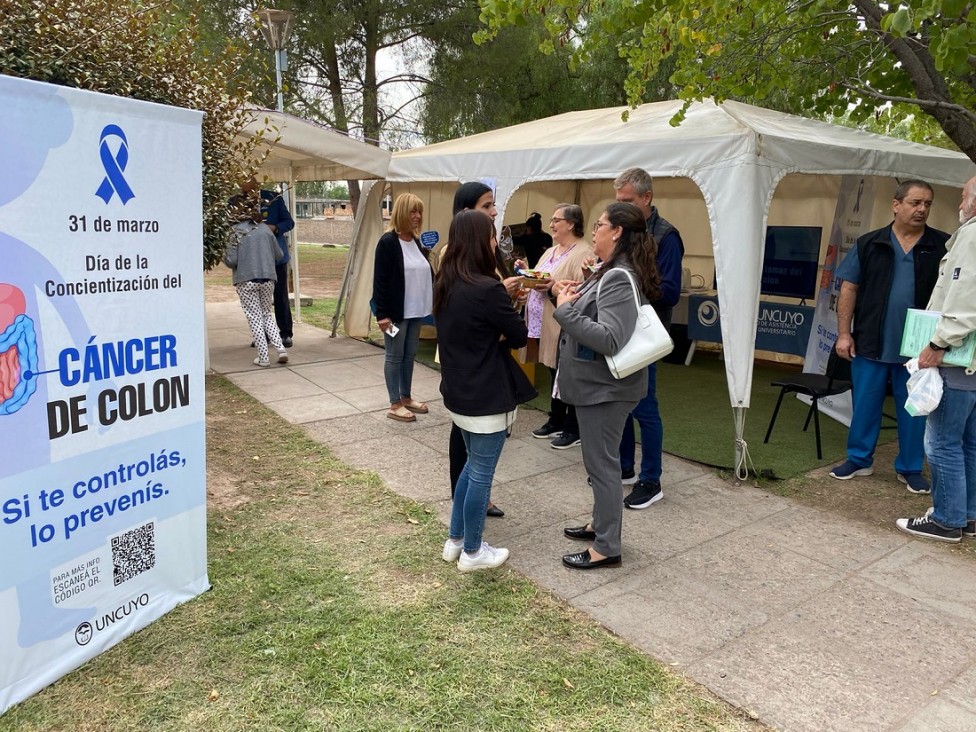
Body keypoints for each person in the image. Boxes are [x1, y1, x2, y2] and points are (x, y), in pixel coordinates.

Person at [553, 202, 661, 569]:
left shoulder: (617, 276)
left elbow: (611, 338)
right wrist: (573, 295)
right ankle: (599, 525)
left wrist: (565, 310)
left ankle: (606, 547)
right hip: (601, 386)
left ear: (616, 232)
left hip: (607, 389)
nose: (594, 231)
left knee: (602, 466)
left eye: (599, 225)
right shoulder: (610, 271)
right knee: (600, 462)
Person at [831, 179, 950, 492]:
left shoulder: (942, 245)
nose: (921, 209)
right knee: (865, 405)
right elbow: (849, 288)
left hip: (920, 349)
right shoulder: (870, 243)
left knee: (914, 410)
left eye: (927, 204)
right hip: (871, 342)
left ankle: (910, 468)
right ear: (896, 205)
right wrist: (844, 333)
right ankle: (859, 459)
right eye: (915, 202)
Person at [436, 210, 537, 571]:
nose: (496, 243)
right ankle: (474, 551)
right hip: (485, 394)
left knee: (470, 468)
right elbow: (518, 336)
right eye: (493, 236)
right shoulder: (486, 287)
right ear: (481, 241)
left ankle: (457, 540)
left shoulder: (445, 281)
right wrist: (509, 307)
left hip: (457, 392)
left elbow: (473, 331)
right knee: (480, 472)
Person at [897, 176, 976, 542]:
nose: (960, 202)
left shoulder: (972, 236)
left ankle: (946, 519)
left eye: (963, 196)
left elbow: (963, 303)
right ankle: (968, 515)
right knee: (968, 442)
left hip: (958, 359)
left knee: (942, 442)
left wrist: (938, 344)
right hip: (971, 363)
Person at [443, 182, 524, 516]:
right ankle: (468, 514)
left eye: (493, 205)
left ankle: (467, 511)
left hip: (478, 357)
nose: (493, 211)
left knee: (474, 453)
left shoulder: (479, 258)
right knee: (472, 452)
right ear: (466, 213)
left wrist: (507, 300)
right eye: (486, 205)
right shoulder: (455, 256)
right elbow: (469, 312)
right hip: (474, 362)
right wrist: (499, 298)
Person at [612, 168, 685, 508]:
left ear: (646, 198)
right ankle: (625, 467)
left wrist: (626, 288)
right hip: (620, 330)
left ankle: (651, 479)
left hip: (647, 333)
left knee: (645, 406)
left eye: (626, 202)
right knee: (621, 404)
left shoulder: (667, 236)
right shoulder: (623, 232)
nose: (620, 208)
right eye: (618, 202)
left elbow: (670, 292)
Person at [522, 204, 593, 450]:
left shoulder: (584, 252)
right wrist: (527, 273)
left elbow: (581, 289)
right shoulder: (551, 250)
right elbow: (540, 275)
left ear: (571, 224)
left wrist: (552, 285)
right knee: (554, 370)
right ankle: (557, 419)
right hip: (543, 323)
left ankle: (573, 427)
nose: (551, 225)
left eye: (556, 220)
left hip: (562, 322)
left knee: (566, 373)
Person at [371, 192, 434, 422]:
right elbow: (380, 281)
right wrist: (381, 314)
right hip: (394, 315)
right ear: (401, 213)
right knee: (394, 356)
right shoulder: (388, 242)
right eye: (412, 211)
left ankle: (406, 397)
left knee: (409, 356)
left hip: (416, 311)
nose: (417, 216)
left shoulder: (416, 242)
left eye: (419, 211)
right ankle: (394, 403)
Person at [224, 194, 289, 368]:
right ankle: (280, 348)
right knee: (267, 314)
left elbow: (231, 261)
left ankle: (263, 356)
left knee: (254, 318)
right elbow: (279, 255)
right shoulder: (265, 229)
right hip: (268, 277)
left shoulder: (235, 231)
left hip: (246, 279)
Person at [240, 176, 296, 347]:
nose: (247, 193)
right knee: (256, 299)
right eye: (244, 190)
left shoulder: (274, 199)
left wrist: (275, 228)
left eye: (250, 190)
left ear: (257, 186)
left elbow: (289, 222)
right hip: (254, 259)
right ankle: (263, 334)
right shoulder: (237, 202)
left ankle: (285, 333)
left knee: (280, 295)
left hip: (276, 257)